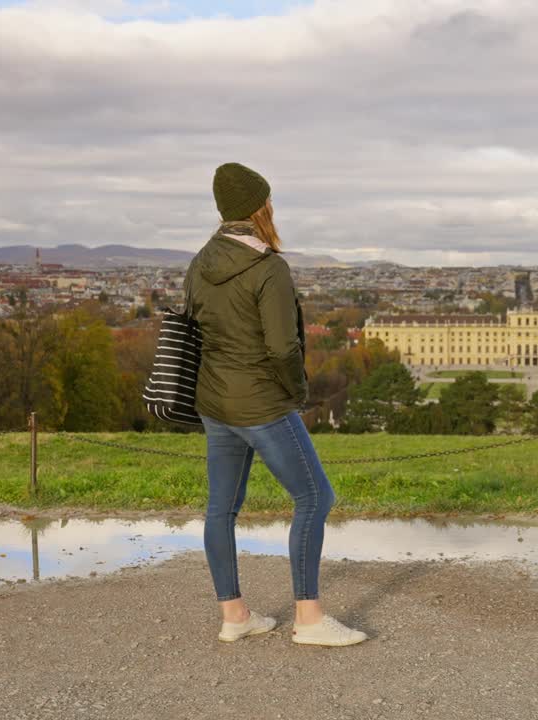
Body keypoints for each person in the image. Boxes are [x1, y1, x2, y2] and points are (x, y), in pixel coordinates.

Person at [184, 162, 367, 648]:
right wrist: (296, 394)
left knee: (221, 508)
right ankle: (308, 619)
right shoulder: (268, 268)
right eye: (269, 201)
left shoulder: (201, 262)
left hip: (214, 400)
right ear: (259, 208)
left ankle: (234, 615)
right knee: (314, 498)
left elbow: (196, 330)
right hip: (261, 401)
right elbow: (284, 348)